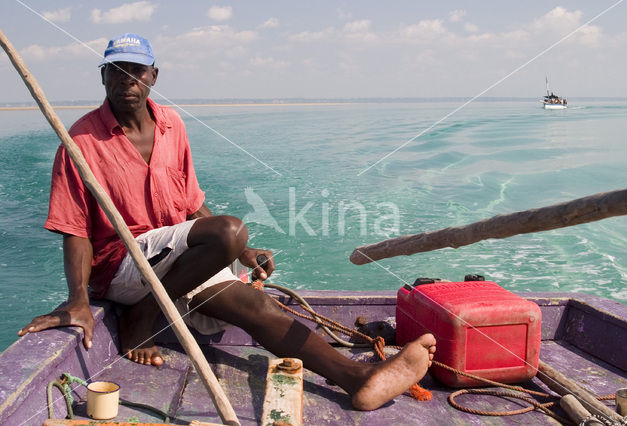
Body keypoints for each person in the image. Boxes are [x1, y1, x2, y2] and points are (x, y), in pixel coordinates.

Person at [18, 33, 436, 411]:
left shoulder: (171, 125)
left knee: (254, 302)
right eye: (116, 70)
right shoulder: (82, 141)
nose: (126, 78)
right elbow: (73, 228)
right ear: (103, 76)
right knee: (230, 230)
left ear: (153, 76)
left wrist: (243, 252)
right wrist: (77, 300)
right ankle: (140, 317)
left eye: (136, 70)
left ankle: (356, 379)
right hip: (124, 266)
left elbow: (190, 202)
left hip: (173, 262)